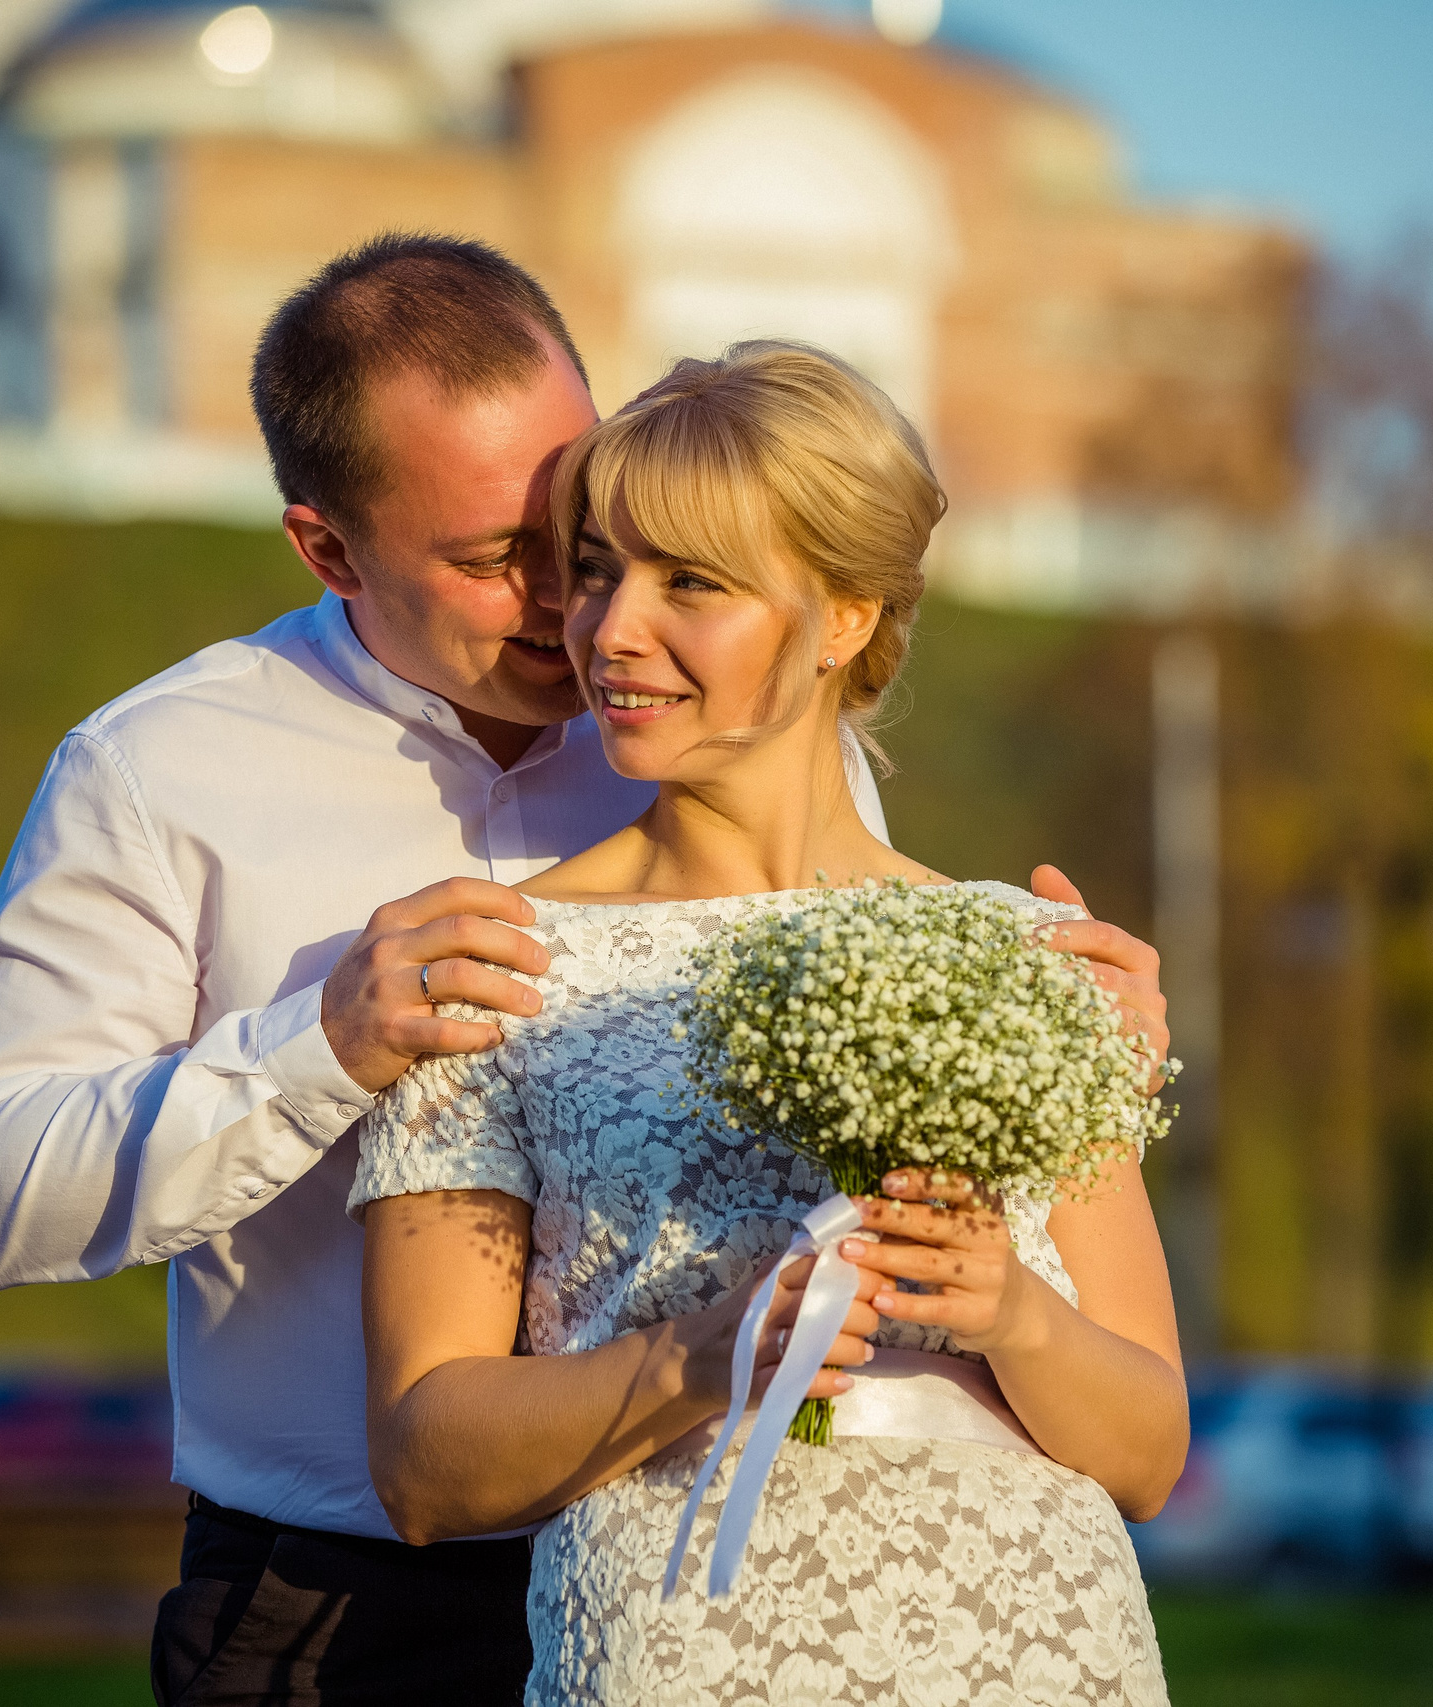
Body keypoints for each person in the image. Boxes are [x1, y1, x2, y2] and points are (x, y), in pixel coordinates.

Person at [0, 236, 1171, 1707]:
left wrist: (1069, 1050)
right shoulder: (159, 771)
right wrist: (317, 1048)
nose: (576, 613)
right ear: (330, 550)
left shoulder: (725, 718)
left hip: (766, 1581)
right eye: (509, 561)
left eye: (581, 528)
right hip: (351, 1605)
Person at [355, 342, 1185, 1706]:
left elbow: (1149, 1451)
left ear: (845, 617)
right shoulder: (496, 966)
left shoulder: (1029, 959)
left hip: (1042, 1648)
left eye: (691, 581)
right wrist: (708, 1347)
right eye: (603, 566)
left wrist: (1010, 1312)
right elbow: (426, 1463)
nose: (610, 628)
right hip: (681, 1642)